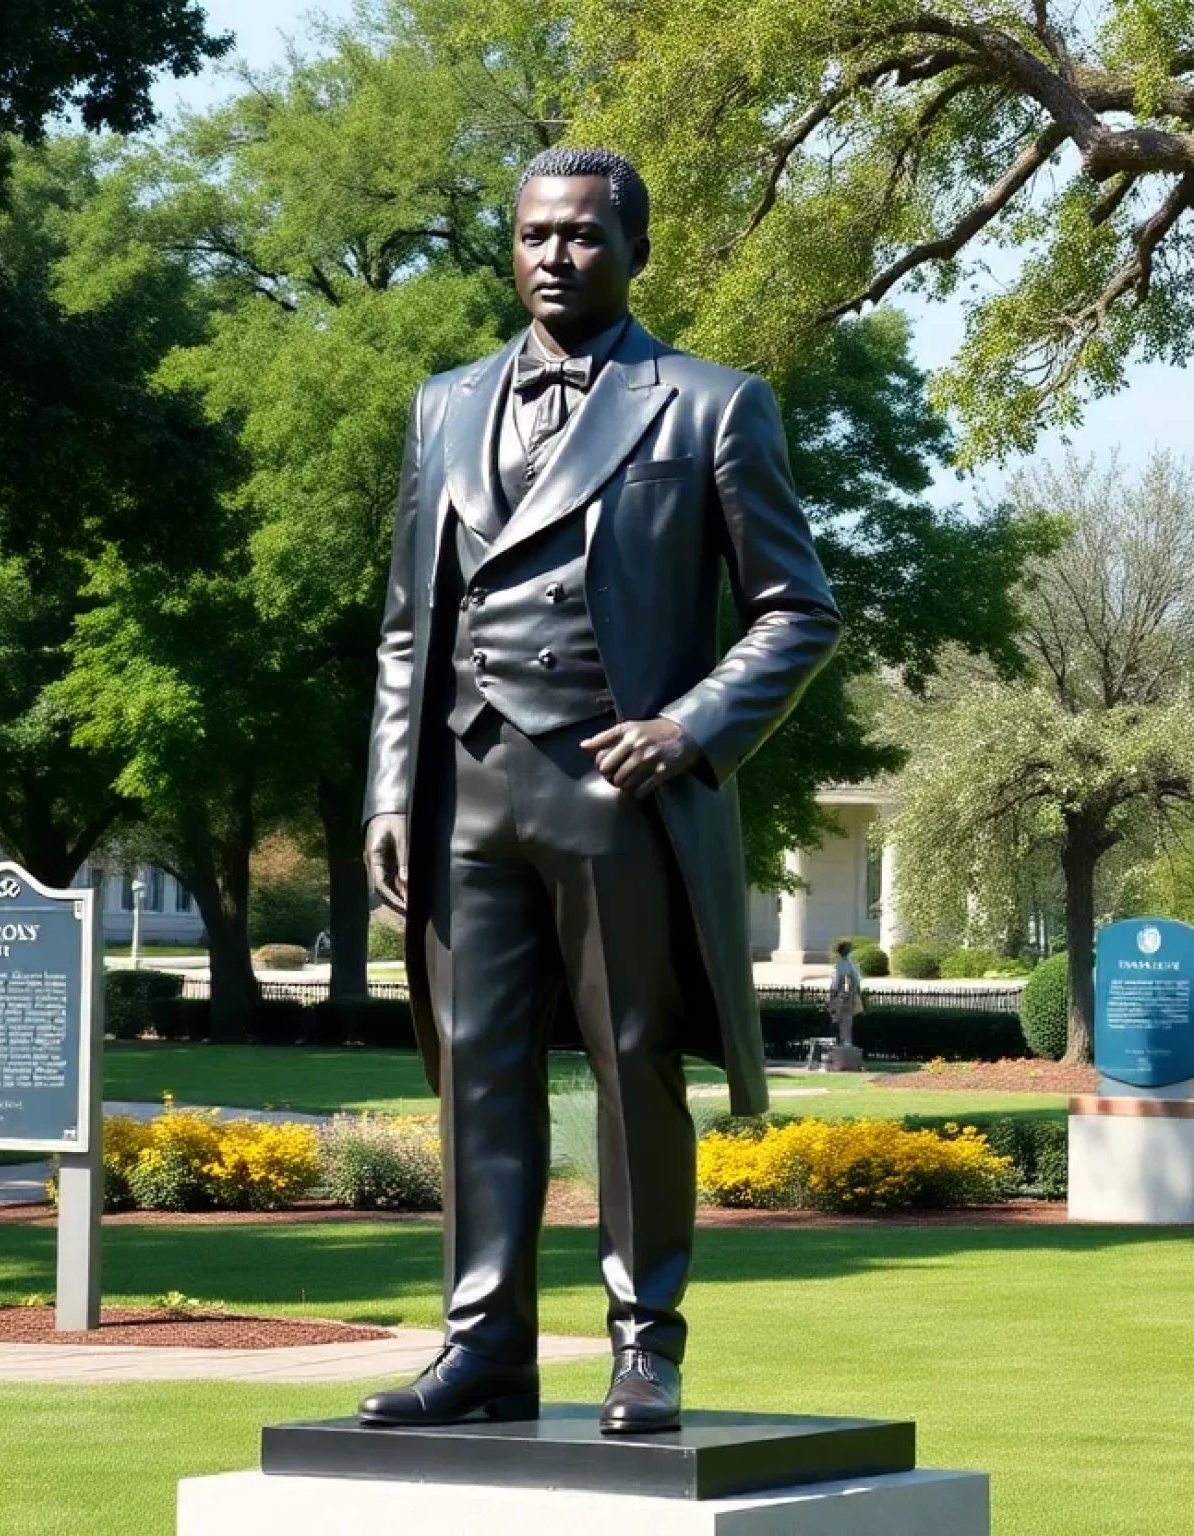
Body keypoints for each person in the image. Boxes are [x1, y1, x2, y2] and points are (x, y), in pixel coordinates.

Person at [358, 147, 841, 1434]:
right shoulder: (443, 405)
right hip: (463, 784)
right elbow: (410, 623)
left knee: (632, 1071)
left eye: (579, 236)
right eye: (532, 235)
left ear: (633, 249)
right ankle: (481, 1347)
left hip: (611, 791)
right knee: (476, 1072)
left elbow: (797, 610)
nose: (552, 257)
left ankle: (643, 1344)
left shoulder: (711, 405)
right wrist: (386, 793)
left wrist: (691, 725)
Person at [827, 941, 865, 1046]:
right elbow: (837, 982)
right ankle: (844, 1041)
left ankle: (846, 1041)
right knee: (843, 1019)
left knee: (847, 1019)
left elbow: (856, 981)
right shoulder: (842, 964)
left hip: (848, 994)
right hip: (843, 995)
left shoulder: (850, 963)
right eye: (847, 948)